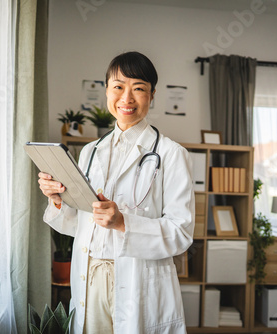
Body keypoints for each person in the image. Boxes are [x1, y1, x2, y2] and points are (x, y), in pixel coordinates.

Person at [38, 51, 195, 333]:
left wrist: (123, 223)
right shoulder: (89, 152)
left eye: (139, 89)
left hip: (137, 282)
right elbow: (81, 224)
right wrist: (59, 200)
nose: (127, 98)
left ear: (152, 95)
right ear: (107, 90)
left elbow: (181, 233)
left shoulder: (171, 154)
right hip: (89, 277)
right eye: (118, 87)